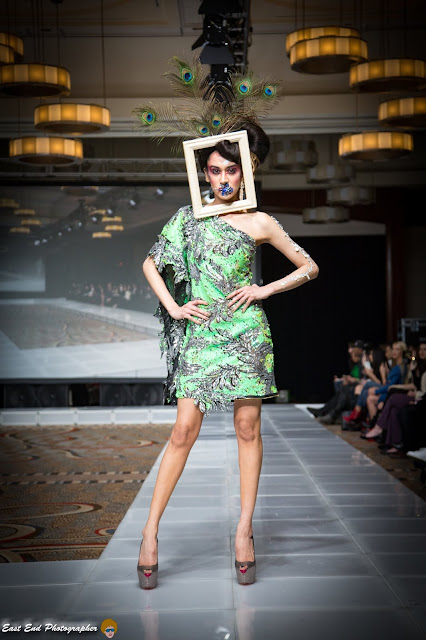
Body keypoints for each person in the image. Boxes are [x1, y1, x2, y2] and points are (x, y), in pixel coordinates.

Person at [137, 121, 319, 589]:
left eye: (231, 170)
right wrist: (175, 307)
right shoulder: (187, 218)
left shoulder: (260, 222)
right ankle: (150, 532)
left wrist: (264, 289)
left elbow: (309, 266)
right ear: (205, 173)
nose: (222, 179)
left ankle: (243, 530)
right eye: (214, 170)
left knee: (247, 428)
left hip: (245, 334)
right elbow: (150, 264)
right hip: (201, 334)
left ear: (246, 173)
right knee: (183, 430)